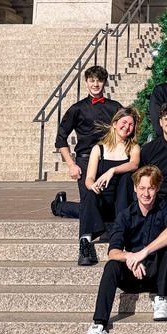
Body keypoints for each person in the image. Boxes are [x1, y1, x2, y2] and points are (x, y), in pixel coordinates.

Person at [82, 164, 167, 334]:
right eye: (142, 188)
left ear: (157, 188)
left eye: (151, 188)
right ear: (135, 188)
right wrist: (130, 257)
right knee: (111, 265)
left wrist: (144, 252)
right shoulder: (125, 215)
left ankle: (161, 299)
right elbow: (112, 252)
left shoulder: (166, 208)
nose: (146, 193)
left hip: (158, 273)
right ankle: (98, 326)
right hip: (133, 274)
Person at [52, 66, 121, 220]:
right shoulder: (77, 108)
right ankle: (59, 206)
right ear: (86, 82)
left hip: (108, 160)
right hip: (85, 161)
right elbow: (60, 138)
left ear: (105, 83)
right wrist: (71, 165)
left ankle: (63, 206)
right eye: (92, 81)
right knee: (91, 208)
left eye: (99, 81)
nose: (95, 84)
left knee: (108, 210)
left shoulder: (115, 107)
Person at [77, 107, 141, 266]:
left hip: (124, 204)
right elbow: (89, 178)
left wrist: (112, 170)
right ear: (114, 123)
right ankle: (85, 243)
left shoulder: (133, 148)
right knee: (89, 192)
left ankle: (122, 234)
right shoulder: (98, 149)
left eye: (131, 124)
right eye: (124, 122)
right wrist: (94, 185)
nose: (127, 126)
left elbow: (134, 164)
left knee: (126, 177)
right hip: (103, 202)